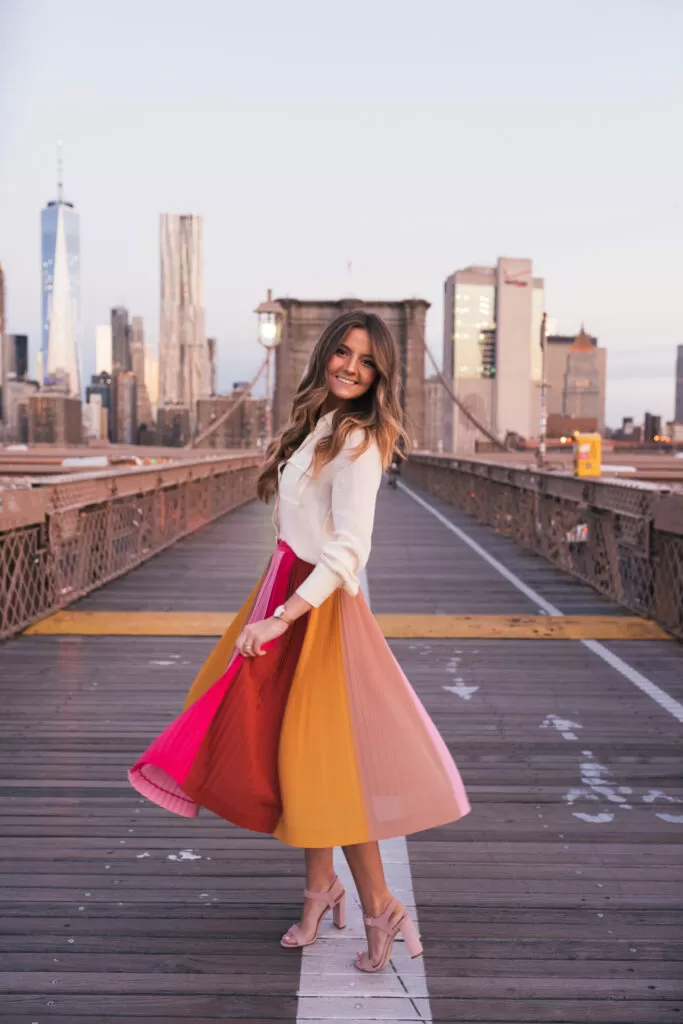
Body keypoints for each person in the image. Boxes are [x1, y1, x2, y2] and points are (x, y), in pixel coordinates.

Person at [129, 310, 470, 972]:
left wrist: (282, 616)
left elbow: (349, 549)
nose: (349, 366)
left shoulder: (361, 442)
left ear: (381, 375)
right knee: (297, 756)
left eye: (366, 360)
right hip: (284, 586)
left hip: (313, 610)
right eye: (341, 351)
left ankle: (379, 907)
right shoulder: (319, 425)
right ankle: (321, 889)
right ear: (323, 354)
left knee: (326, 765)